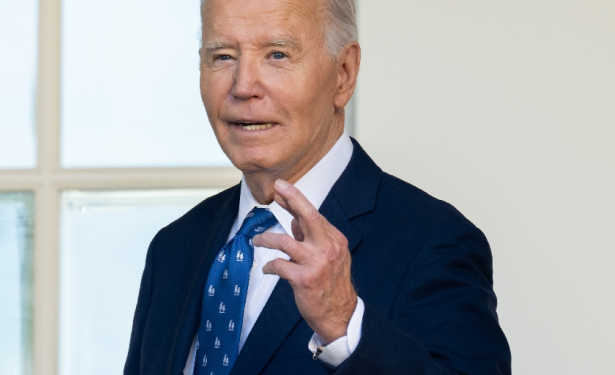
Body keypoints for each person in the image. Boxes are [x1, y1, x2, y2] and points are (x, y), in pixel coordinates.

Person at [124, 0, 511, 374]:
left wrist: (345, 324)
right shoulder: (173, 248)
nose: (243, 86)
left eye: (277, 54)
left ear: (343, 73)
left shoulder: (433, 242)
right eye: (223, 56)